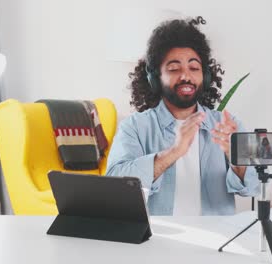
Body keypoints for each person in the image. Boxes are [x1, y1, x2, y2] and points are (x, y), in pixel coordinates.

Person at [106, 16, 259, 216]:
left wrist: (237, 158)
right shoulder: (135, 126)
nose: (186, 76)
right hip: (156, 239)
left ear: (205, 76)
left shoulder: (229, 125)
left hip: (217, 240)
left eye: (194, 68)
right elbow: (115, 186)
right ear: (155, 78)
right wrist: (174, 152)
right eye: (174, 69)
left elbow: (254, 186)